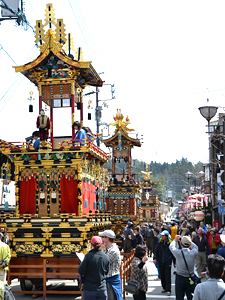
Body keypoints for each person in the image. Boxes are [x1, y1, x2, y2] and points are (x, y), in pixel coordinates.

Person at [78, 236, 109, 300]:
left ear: (91, 245)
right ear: (101, 244)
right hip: (102, 288)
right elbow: (106, 271)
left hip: (90, 288)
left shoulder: (88, 256)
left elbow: (81, 271)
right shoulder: (106, 257)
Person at [169, 235, 198, 300]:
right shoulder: (193, 252)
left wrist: (175, 240)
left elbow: (171, 247)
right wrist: (188, 240)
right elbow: (196, 247)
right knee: (191, 296)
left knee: (179, 297)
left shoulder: (178, 253)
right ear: (190, 245)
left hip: (180, 277)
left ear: (181, 244)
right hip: (190, 277)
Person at [99, 230, 122, 300]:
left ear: (107, 238)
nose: (101, 239)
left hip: (111, 279)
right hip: (107, 278)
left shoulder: (113, 251)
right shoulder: (108, 249)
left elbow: (102, 262)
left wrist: (99, 250)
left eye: (102, 237)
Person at [153, 230, 175, 296]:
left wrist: (174, 262)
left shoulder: (170, 244)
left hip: (168, 261)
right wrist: (155, 258)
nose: (162, 237)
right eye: (162, 235)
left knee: (167, 275)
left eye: (163, 235)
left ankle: (168, 289)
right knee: (162, 275)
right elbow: (156, 250)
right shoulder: (159, 243)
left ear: (166, 236)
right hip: (160, 261)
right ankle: (164, 287)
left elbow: (173, 253)